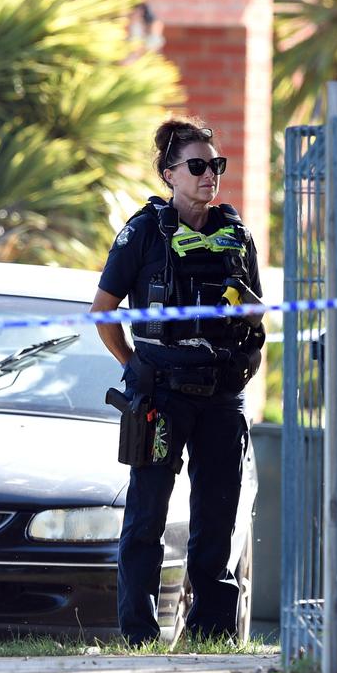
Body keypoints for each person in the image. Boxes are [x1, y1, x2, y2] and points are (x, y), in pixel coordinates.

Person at [91, 117, 264, 644]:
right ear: (169, 173)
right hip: (160, 394)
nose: (209, 174)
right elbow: (103, 312)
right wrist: (133, 366)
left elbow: (258, 313)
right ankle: (140, 636)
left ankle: (211, 632)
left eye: (216, 165)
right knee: (147, 519)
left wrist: (247, 344)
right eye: (197, 165)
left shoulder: (237, 235)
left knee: (217, 519)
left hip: (221, 397)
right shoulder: (142, 232)